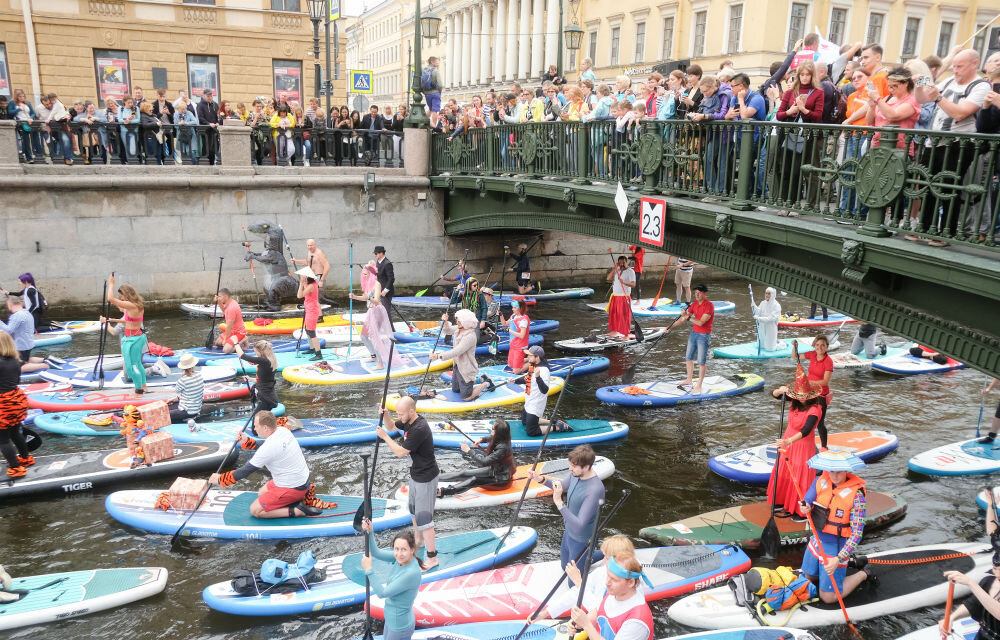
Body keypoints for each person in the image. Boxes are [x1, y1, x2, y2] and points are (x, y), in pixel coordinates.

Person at [797, 450, 875, 604]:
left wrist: (838, 559)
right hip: (817, 540)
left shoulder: (857, 496)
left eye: (839, 472)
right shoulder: (820, 480)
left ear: (847, 470)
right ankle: (848, 564)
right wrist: (804, 507)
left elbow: (857, 534)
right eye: (832, 472)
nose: (835, 476)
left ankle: (864, 573)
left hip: (837, 548)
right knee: (808, 577)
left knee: (828, 597)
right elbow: (806, 501)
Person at [209, 410, 319, 518]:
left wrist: (221, 479)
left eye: (256, 426)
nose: (254, 428)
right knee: (262, 492)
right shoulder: (282, 431)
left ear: (265, 427)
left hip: (294, 487)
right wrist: (246, 441)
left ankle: (297, 511)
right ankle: (296, 498)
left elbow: (245, 471)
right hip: (302, 481)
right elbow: (266, 444)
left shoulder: (267, 449)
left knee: (255, 510)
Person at [377, 396, 441, 570]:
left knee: (424, 518)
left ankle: (433, 557)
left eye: (401, 414)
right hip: (416, 475)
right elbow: (391, 426)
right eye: (398, 413)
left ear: (411, 411)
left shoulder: (419, 428)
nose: (400, 417)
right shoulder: (408, 421)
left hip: (426, 478)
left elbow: (399, 452)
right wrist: (386, 416)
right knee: (413, 510)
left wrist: (385, 437)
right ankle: (418, 541)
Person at [527, 444, 606, 575]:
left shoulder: (595, 490)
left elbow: (580, 526)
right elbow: (561, 486)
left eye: (574, 466)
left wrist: (559, 503)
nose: (570, 469)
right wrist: (540, 479)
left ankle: (607, 554)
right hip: (569, 531)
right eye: (571, 465)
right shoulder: (576, 475)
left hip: (582, 539)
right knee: (565, 567)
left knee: (573, 584)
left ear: (586, 467)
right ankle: (599, 555)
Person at [530, 535, 647, 622]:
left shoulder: (626, 584)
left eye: (606, 557)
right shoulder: (603, 571)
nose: (603, 560)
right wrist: (545, 613)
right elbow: (576, 593)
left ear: (620, 560)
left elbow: (603, 612)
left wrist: (579, 582)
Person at [939, 485, 1000, 638]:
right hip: (985, 635)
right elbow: (993, 531)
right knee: (987, 582)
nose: (996, 573)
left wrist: (971, 583)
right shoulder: (989, 581)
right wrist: (951, 618)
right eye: (995, 568)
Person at [769, 366, 823, 520]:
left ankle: (801, 510)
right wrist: (780, 391)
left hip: (801, 443)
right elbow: (774, 395)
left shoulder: (815, 409)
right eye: (799, 395)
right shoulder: (795, 399)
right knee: (785, 470)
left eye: (804, 396)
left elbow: (806, 430)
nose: (801, 398)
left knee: (799, 475)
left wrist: (788, 441)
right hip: (788, 439)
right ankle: (782, 501)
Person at [360, 517, 424, 640]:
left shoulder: (411, 573)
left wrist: (369, 570)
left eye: (403, 549)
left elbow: (382, 593)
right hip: (391, 621)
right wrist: (370, 532)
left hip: (400, 626)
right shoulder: (401, 559)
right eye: (396, 549)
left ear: (412, 550)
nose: (399, 553)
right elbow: (376, 553)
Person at [569, 553, 654, 640]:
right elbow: (598, 612)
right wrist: (580, 622)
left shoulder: (637, 621)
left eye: (614, 580)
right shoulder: (614, 592)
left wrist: (586, 625)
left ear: (631, 582)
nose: (607, 583)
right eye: (608, 576)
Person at [438, 418, 516, 496]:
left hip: (501, 480)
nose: (491, 429)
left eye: (492, 429)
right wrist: (482, 440)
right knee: (464, 472)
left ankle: (442, 492)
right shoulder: (503, 438)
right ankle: (435, 478)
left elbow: (484, 461)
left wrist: (469, 451)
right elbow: (492, 438)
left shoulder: (503, 448)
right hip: (494, 470)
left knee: (473, 480)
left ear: (498, 433)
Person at [428, 309, 493, 402]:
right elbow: (448, 330)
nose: (457, 322)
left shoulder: (470, 336)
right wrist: (445, 322)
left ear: (466, 322)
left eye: (459, 321)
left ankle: (486, 383)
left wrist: (439, 356)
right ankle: (481, 379)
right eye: (457, 320)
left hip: (466, 368)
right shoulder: (459, 329)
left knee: (466, 397)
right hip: (457, 365)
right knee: (455, 389)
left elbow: (458, 351)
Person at [348, 262, 403, 369]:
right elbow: (365, 298)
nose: (363, 276)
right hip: (371, 312)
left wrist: (369, 298)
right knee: (364, 336)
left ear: (370, 274)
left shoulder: (377, 284)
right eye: (362, 274)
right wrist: (355, 297)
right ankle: (374, 356)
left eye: (365, 274)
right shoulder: (368, 283)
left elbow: (377, 301)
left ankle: (380, 363)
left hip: (377, 312)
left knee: (374, 338)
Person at [100, 276, 147, 394]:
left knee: (132, 367)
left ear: (127, 295)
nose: (120, 298)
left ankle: (139, 389)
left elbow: (111, 298)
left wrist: (111, 284)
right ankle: (143, 385)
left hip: (133, 340)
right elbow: (128, 320)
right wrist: (110, 320)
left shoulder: (132, 306)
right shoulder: (137, 304)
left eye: (121, 296)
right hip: (138, 337)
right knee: (137, 364)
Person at [512, 345, 569, 436]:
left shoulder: (543, 371)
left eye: (530, 356)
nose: (528, 358)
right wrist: (515, 381)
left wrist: (538, 377)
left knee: (531, 432)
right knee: (525, 422)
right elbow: (528, 378)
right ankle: (551, 421)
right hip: (529, 401)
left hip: (536, 404)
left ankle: (558, 427)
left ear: (537, 357)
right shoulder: (534, 365)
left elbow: (544, 390)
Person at [671, 284, 714, 395]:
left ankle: (699, 385)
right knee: (688, 357)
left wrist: (688, 317)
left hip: (704, 335)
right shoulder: (694, 304)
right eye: (695, 293)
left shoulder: (709, 306)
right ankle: (689, 379)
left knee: (701, 361)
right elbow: (682, 320)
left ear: (705, 294)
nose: (697, 295)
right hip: (694, 333)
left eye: (699, 293)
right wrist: (670, 327)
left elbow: (700, 322)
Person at [0, 332, 32, 479]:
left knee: (3, 439)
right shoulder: (15, 361)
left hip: (3, 404)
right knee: (14, 432)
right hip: (16, 400)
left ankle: (15, 468)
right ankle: (25, 458)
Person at [793, 335, 832, 449]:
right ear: (814, 346)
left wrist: (808, 383)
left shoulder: (828, 362)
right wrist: (795, 347)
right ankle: (802, 441)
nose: (820, 347)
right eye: (817, 345)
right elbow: (795, 356)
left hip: (821, 394)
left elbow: (825, 381)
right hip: (809, 393)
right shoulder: (813, 354)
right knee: (804, 418)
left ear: (827, 347)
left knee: (819, 423)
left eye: (822, 345)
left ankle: (824, 446)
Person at [0, 296, 47, 374]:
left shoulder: (17, 316)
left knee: (17, 368)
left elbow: (8, 330)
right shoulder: (27, 312)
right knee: (25, 359)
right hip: (28, 344)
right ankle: (46, 359)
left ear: (10, 305)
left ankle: (44, 366)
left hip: (21, 346)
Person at [235, 340, 279, 412]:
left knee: (257, 419)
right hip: (269, 396)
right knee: (261, 417)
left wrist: (235, 343)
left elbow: (242, 356)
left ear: (261, 352)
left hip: (265, 398)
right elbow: (264, 381)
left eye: (256, 352)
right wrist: (250, 379)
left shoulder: (264, 361)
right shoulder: (270, 360)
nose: (256, 354)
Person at [296, 266, 323, 361]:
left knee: (311, 332)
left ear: (307, 276)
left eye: (302, 275)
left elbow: (299, 295)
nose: (301, 276)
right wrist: (303, 283)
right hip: (309, 309)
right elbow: (305, 292)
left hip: (312, 310)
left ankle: (318, 353)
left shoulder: (311, 286)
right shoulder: (310, 284)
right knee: (308, 330)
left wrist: (300, 284)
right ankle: (312, 348)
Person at [168, 353, 204, 423]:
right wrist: (177, 399)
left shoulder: (183, 380)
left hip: (186, 411)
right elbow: (191, 393)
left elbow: (177, 390)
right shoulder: (200, 376)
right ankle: (192, 416)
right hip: (196, 409)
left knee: (165, 413)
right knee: (172, 406)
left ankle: (188, 417)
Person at [606, 255, 636, 339]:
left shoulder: (630, 271)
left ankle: (626, 333)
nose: (621, 264)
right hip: (615, 296)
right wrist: (614, 268)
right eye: (620, 262)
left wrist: (625, 283)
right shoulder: (617, 270)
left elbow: (633, 284)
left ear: (626, 262)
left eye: (623, 262)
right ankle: (614, 330)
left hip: (624, 297)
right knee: (614, 314)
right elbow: (608, 278)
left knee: (624, 315)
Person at [501, 298, 530, 374]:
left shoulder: (523, 321)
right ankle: (528, 359)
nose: (512, 309)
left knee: (516, 371)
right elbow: (504, 323)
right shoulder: (514, 316)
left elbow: (521, 336)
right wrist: (500, 315)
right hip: (513, 344)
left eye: (514, 307)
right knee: (510, 365)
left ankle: (533, 362)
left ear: (520, 308)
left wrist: (509, 330)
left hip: (520, 346)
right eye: (512, 307)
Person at [215, 288, 248, 354]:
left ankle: (244, 338)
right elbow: (224, 311)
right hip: (232, 331)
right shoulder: (229, 302)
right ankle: (234, 342)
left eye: (220, 296)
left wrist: (225, 339)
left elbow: (229, 326)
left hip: (238, 332)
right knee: (218, 343)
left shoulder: (232, 308)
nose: (218, 298)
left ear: (226, 296)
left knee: (226, 350)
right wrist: (219, 301)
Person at [752, 286, 781, 352]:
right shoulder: (763, 303)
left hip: (770, 327)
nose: (767, 295)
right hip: (762, 326)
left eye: (769, 294)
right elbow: (758, 312)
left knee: (770, 349)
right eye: (766, 293)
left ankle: (781, 345)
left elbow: (770, 319)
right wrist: (754, 306)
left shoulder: (776, 305)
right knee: (761, 345)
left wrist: (759, 318)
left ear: (773, 295)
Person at [196, 89, 220, 165]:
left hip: (214, 130)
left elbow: (217, 116)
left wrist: (217, 122)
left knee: (213, 148)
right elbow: (200, 117)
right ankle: (205, 164)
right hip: (205, 130)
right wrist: (208, 123)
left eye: (211, 95)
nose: (210, 97)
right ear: (204, 96)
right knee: (206, 148)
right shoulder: (200, 105)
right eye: (208, 96)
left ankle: (212, 164)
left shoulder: (215, 104)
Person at [422, 56, 443, 129]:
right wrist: (439, 91)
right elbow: (440, 84)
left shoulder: (423, 70)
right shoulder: (435, 71)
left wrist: (424, 92)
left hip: (427, 94)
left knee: (430, 109)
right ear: (432, 62)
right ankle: (434, 127)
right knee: (435, 111)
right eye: (437, 62)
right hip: (435, 92)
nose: (438, 64)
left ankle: (423, 121)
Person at [375, 245, 395, 313]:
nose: (375, 255)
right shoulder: (378, 262)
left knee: (386, 312)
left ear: (381, 253)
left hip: (385, 292)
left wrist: (385, 290)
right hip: (379, 290)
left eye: (376, 253)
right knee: (380, 311)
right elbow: (378, 274)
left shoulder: (387, 264)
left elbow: (391, 278)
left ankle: (390, 324)